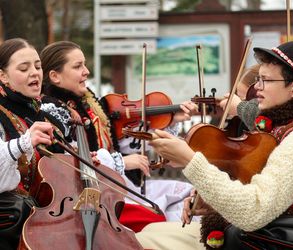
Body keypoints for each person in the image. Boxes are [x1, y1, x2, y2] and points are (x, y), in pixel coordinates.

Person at [137, 41, 293, 249]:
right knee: (150, 230)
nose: (257, 87)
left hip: (260, 240)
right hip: (248, 234)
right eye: (258, 79)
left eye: (266, 80)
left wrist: (190, 160)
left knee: (142, 241)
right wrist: (212, 201)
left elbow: (254, 210)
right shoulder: (276, 126)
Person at [39, 40, 199, 231]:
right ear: (55, 76)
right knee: (156, 218)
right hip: (93, 197)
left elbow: (117, 142)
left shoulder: (88, 103)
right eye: (77, 66)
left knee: (191, 197)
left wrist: (170, 120)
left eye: (84, 64)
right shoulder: (53, 110)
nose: (86, 71)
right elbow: (72, 159)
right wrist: (122, 162)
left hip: (117, 186)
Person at [0, 38, 74, 249]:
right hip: (14, 227)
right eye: (24, 68)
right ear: (2, 76)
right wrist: (23, 143)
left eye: (38, 66)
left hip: (50, 216)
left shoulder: (44, 116)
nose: (35, 72)